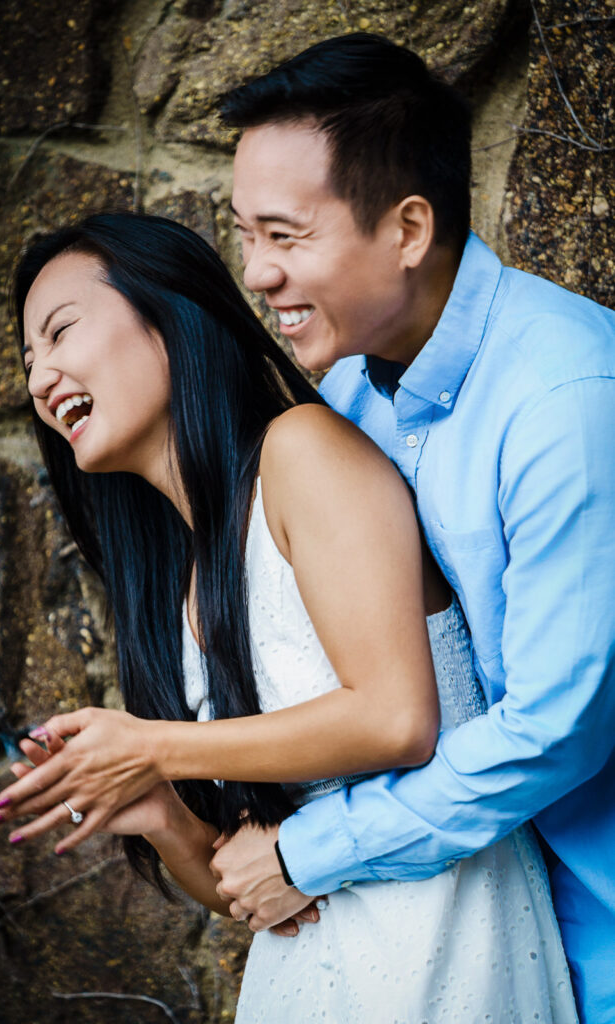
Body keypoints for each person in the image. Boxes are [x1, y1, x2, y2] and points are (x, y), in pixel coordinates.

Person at [0, 211, 578, 1021]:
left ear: (168, 312)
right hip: (309, 978)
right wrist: (159, 810)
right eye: (28, 361)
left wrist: (154, 745)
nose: (40, 378)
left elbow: (398, 718)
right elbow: (252, 888)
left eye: (60, 334)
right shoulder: (184, 584)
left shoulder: (301, 452)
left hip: (444, 947)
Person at [200, 33, 614, 1023]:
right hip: (480, 927)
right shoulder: (349, 397)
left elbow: (559, 727)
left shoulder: (565, 400)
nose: (256, 273)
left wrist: (312, 852)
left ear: (408, 228)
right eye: (243, 234)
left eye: (285, 236)